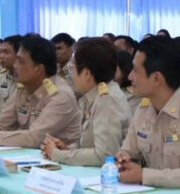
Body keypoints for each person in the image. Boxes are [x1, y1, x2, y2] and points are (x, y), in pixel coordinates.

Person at [116, 36, 180, 189]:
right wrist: (122, 160)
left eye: (136, 70)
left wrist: (144, 175)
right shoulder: (144, 109)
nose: (130, 76)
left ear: (156, 78)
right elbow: (128, 151)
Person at [0, 34, 80, 148]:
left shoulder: (60, 95)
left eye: (21, 61)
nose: (15, 66)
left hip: (57, 161)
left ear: (38, 69)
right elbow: (0, 124)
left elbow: (34, 138)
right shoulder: (23, 89)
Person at [42, 38, 131, 166]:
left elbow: (104, 155)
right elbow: (90, 146)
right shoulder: (91, 97)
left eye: (72, 68)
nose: (71, 74)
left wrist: (56, 154)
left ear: (87, 73)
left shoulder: (108, 99)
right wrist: (66, 149)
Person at [0, 34, 20, 99]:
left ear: (19, 54)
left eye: (6, 52)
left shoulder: (26, 79)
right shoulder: (1, 77)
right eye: (1, 52)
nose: (1, 56)